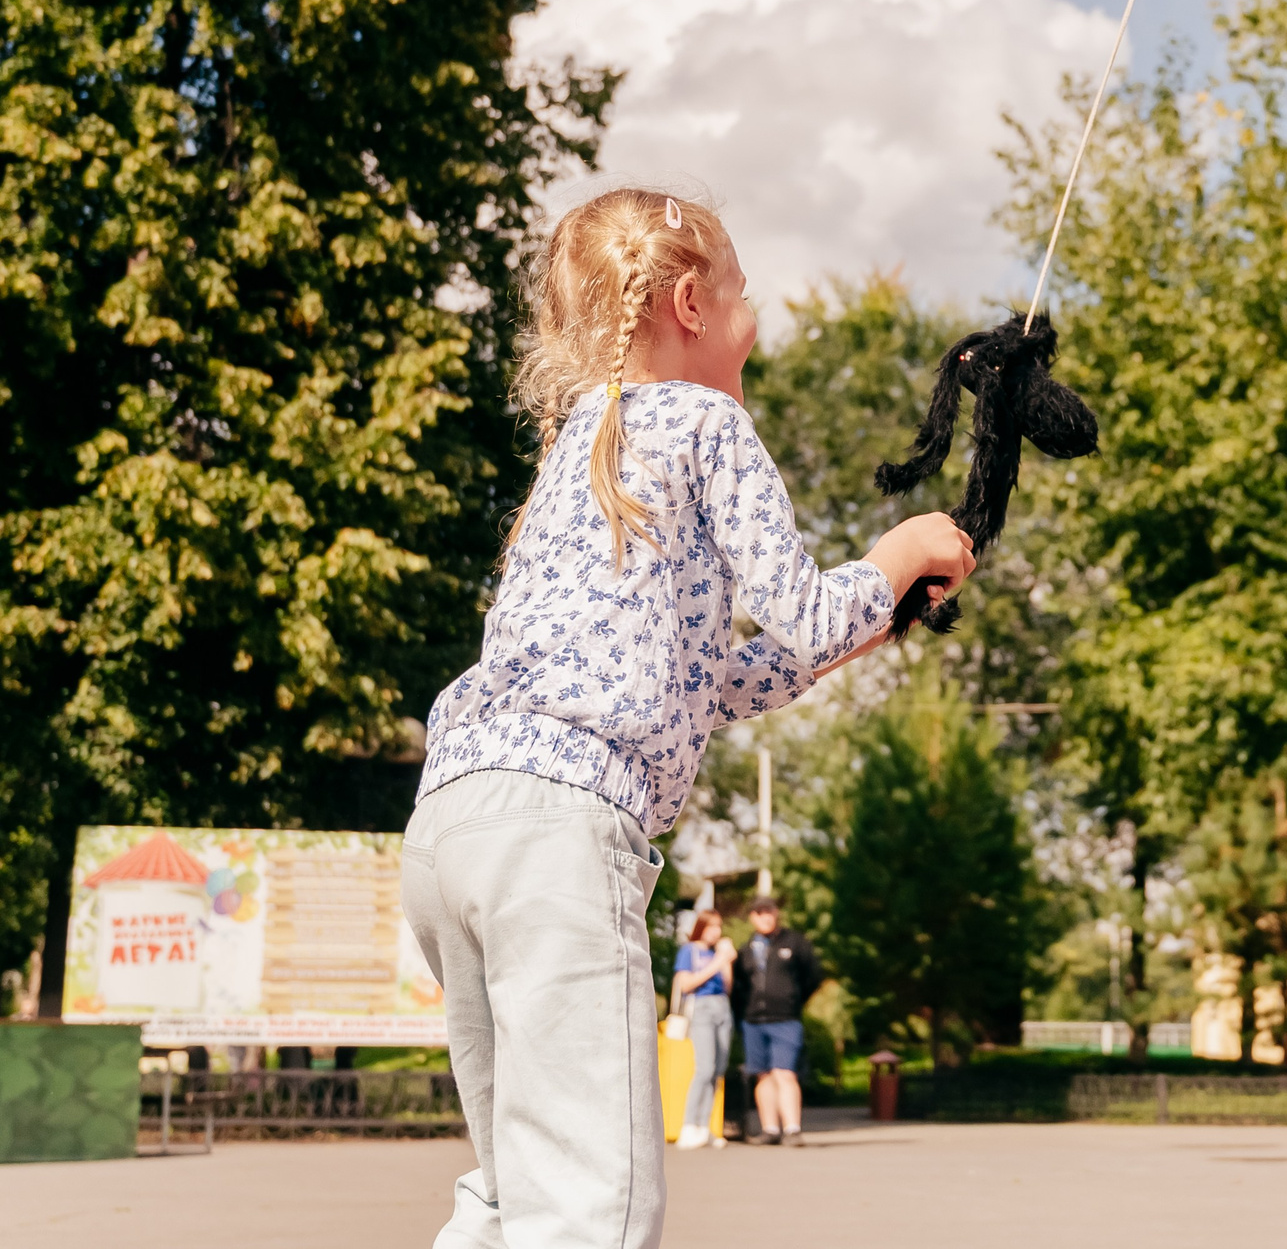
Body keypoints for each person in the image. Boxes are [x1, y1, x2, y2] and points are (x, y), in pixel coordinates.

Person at [400, 188, 977, 1248]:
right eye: (745, 291)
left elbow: (714, 681)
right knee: (592, 1200)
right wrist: (894, 558)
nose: (756, 315)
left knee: (512, 1179)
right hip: (561, 834)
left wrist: (873, 624)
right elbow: (801, 612)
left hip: (452, 827)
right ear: (691, 303)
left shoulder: (584, 446)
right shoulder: (710, 420)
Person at [734, 895, 823, 1147]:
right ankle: (770, 1129)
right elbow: (739, 985)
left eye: (769, 911)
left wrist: (793, 999)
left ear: (776, 913)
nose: (765, 917)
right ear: (752, 917)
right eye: (759, 913)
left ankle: (792, 1129)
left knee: (785, 1073)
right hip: (753, 1020)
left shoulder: (795, 942)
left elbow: (812, 976)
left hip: (785, 1018)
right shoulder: (746, 948)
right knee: (762, 1075)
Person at [671, 910, 736, 1149]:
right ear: (701, 927)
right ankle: (689, 1126)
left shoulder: (716, 952)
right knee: (704, 1068)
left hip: (723, 1008)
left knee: (717, 1070)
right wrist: (716, 964)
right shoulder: (690, 951)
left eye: (719, 927)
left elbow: (727, 987)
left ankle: (704, 1127)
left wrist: (725, 960)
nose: (715, 931)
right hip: (701, 1008)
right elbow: (686, 984)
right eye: (711, 926)